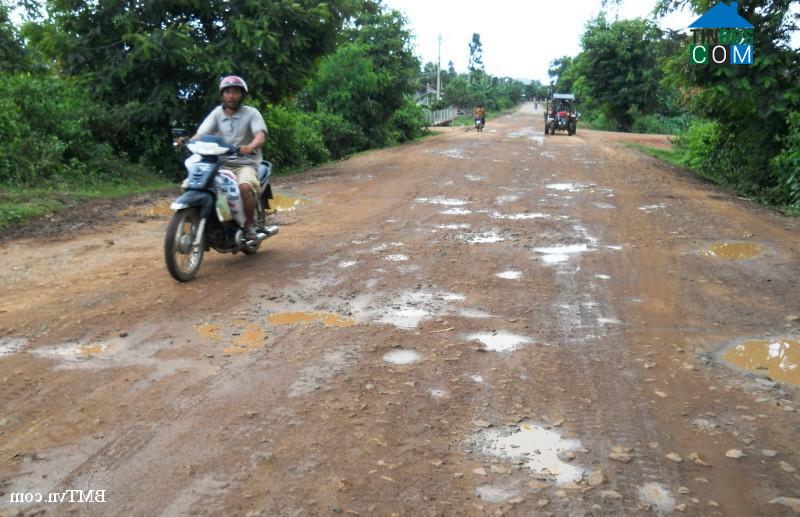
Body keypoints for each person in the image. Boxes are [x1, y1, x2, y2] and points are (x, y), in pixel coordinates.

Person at [188, 75, 267, 239]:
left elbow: (260, 135)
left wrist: (250, 147)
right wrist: (189, 142)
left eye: (236, 92)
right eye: (228, 92)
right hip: (219, 162)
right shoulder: (217, 113)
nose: (231, 96)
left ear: (242, 95)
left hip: (244, 163)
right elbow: (201, 134)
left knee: (244, 187)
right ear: (222, 95)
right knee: (195, 183)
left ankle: (249, 225)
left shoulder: (251, 113)